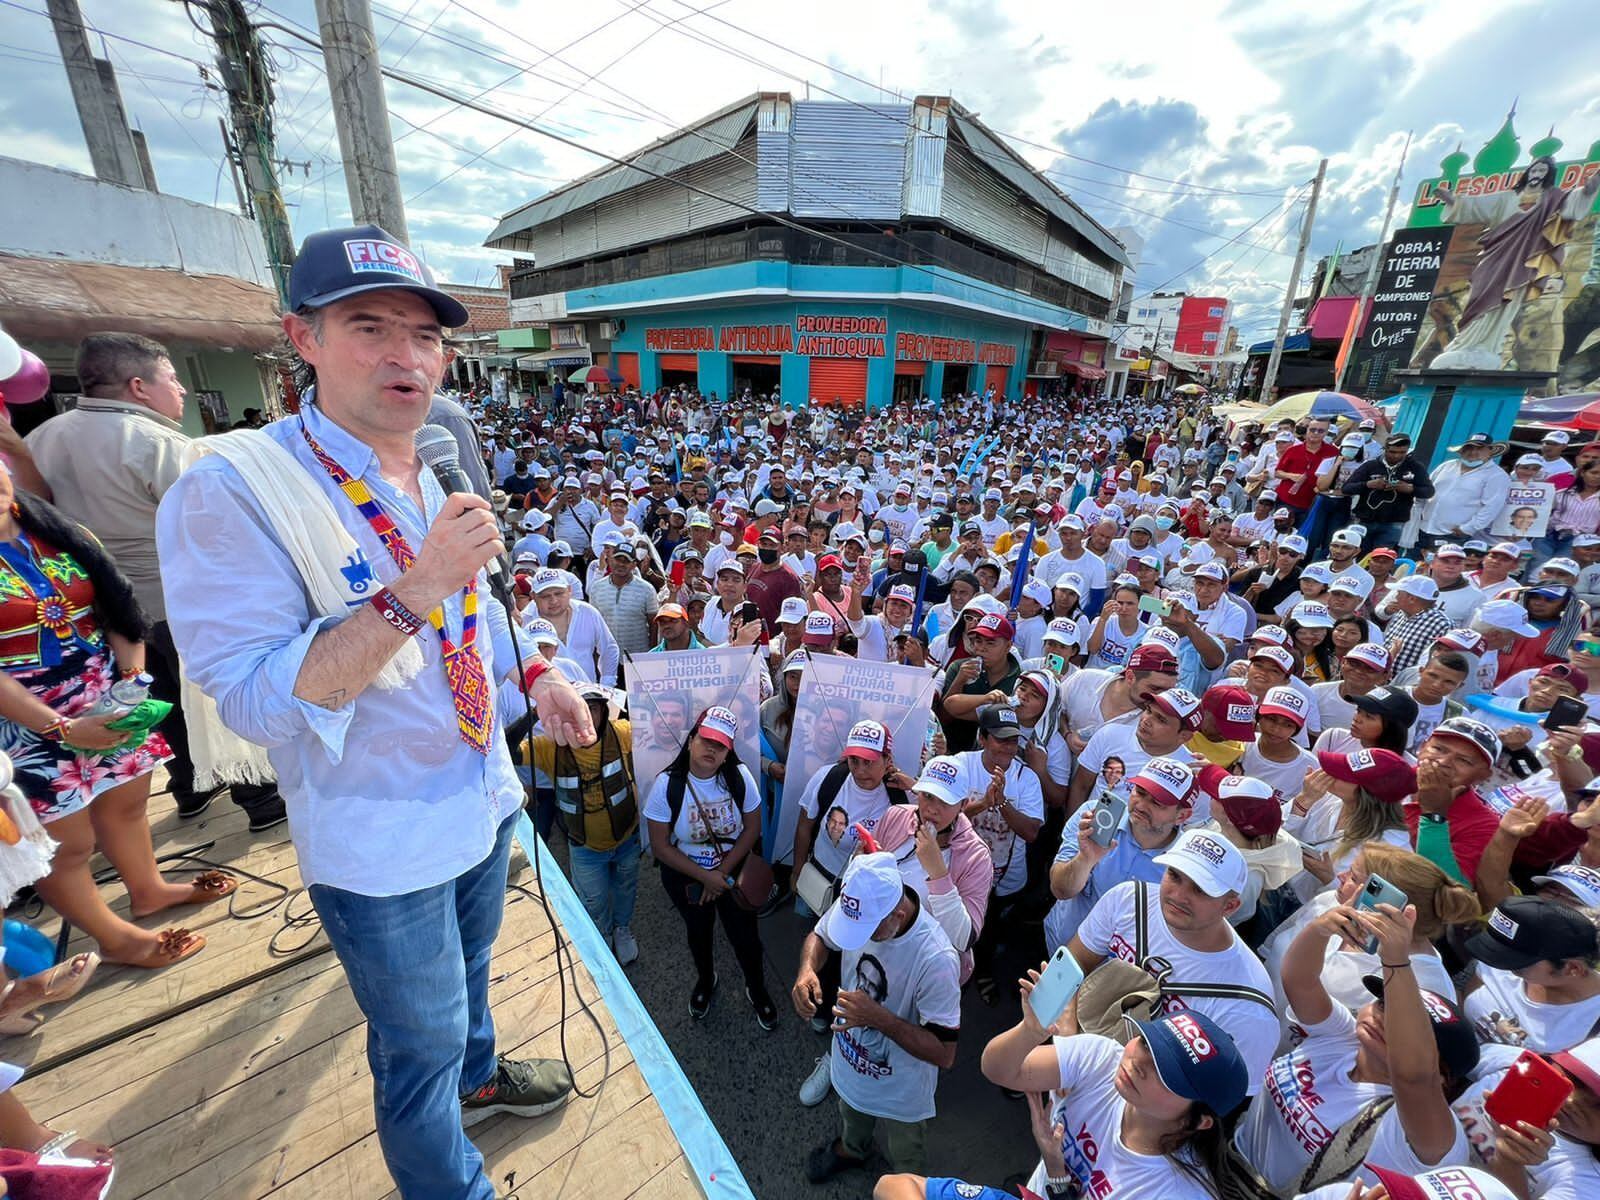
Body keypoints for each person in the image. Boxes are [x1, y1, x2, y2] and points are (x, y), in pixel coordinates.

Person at [158, 225, 597, 1200]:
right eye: (370, 327)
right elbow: (256, 700)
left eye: (425, 334)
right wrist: (415, 588)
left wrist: (537, 677)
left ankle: (481, 1077)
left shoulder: (432, 467)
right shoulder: (236, 490)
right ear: (302, 338)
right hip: (380, 839)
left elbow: (470, 622)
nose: (407, 356)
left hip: (478, 795)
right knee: (416, 1045)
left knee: (471, 976)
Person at [24, 332, 285, 829]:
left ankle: (188, 788)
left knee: (155, 700)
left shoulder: (41, 441)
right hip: (175, 602)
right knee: (217, 700)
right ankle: (260, 798)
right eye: (172, 378)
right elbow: (218, 530)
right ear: (139, 386)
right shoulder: (158, 444)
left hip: (101, 611)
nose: (182, 390)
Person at [0, 462, 222, 968]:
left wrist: (131, 681)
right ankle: (114, 938)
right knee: (66, 844)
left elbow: (117, 605)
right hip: (20, 723)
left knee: (127, 803)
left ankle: (148, 891)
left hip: (106, 694)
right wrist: (62, 727)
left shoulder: (58, 531)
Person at [1233, 898, 1480, 1194]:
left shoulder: (1422, 1134)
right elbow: (1298, 980)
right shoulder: (1343, 1038)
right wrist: (1321, 929)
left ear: (1440, 1074)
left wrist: (1396, 961)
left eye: (1401, 1025)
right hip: (1224, 1166)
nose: (1383, 1019)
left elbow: (1413, 1077)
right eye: (1382, 1004)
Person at [981, 975, 1247, 1199]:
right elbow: (998, 1070)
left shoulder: (1179, 1193)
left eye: (1166, 1074)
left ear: (1200, 1121)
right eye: (1146, 1043)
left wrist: (1057, 1176)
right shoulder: (1103, 1059)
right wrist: (1030, 1032)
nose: (1139, 1063)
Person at [1063, 828, 1280, 1095]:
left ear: (1230, 906)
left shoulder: (1249, 1009)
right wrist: (1067, 1046)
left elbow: (1221, 1100)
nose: (1178, 896)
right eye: (1174, 875)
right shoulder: (1128, 900)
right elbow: (1070, 967)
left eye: (1200, 889)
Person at [793, 851, 961, 1183]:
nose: (857, 938)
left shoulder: (936, 959)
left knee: (907, 1154)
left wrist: (879, 1018)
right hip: (849, 1065)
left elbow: (945, 1053)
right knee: (851, 1113)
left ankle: (905, 1186)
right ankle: (853, 1150)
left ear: (898, 914)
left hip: (901, 1090)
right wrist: (806, 970)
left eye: (868, 930)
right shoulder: (859, 906)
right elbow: (820, 936)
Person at [642, 706, 776, 1026]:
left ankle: (756, 988)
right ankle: (705, 980)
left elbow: (752, 828)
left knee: (746, 938)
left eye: (720, 745)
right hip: (686, 877)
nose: (711, 750)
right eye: (706, 740)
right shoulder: (666, 785)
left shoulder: (739, 777)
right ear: (691, 741)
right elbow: (660, 846)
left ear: (728, 753)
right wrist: (706, 877)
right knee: (698, 933)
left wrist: (720, 874)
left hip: (734, 873)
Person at [515, 682, 640, 966]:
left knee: (626, 889)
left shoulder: (621, 733)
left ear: (602, 712)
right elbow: (507, 751)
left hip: (627, 839)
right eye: (574, 710)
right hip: (585, 849)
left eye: (591, 709)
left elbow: (660, 730)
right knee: (593, 901)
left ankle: (621, 928)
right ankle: (602, 935)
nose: (584, 717)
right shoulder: (548, 747)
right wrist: (535, 712)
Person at [954, 706, 1044, 1003]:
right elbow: (944, 817)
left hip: (1005, 877)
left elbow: (1031, 832)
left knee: (990, 928)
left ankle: (983, 972)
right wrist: (983, 804)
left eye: (1013, 740)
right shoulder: (961, 765)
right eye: (1000, 739)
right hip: (959, 871)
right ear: (982, 738)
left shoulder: (1026, 778)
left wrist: (1002, 802)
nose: (1008, 747)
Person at [1462, 895, 1600, 1052]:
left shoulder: (1595, 1022)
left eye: (1517, 962)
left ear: (1572, 968)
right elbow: (1460, 996)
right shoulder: (1497, 959)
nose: (1502, 965)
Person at [1342, 433, 1435, 553]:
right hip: (1365, 520)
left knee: (1381, 558)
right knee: (1356, 554)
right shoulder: (1371, 465)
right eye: (1392, 452)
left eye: (1402, 452)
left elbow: (1429, 491)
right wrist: (1368, 484)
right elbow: (1346, 488)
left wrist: (1410, 489)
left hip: (1393, 523)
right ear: (1385, 449)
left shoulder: (1415, 467)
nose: (1397, 456)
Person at [1416, 433, 1512, 549]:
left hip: (1453, 534)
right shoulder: (1447, 466)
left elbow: (1492, 507)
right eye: (1470, 448)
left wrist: (1468, 528)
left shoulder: (1497, 475)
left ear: (1490, 451)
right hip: (1422, 527)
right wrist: (1417, 513)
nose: (1473, 452)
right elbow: (1426, 489)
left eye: (1480, 448)